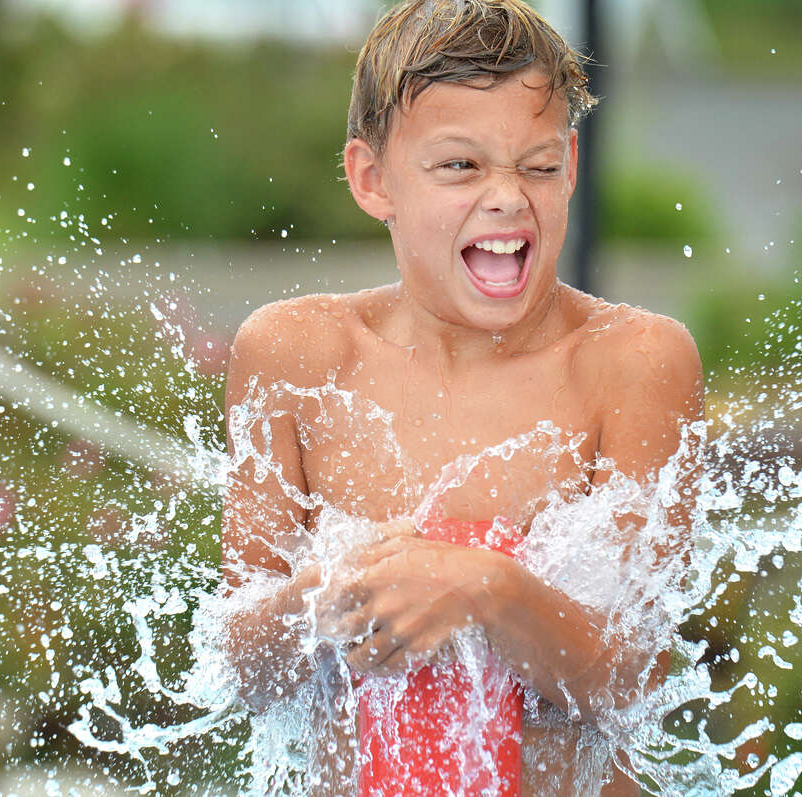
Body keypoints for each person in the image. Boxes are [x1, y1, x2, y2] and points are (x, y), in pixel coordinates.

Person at [220, 1, 704, 794]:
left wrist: (487, 588)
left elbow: (634, 680)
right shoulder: (297, 356)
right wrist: (330, 594)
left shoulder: (631, 362)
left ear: (571, 166)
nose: (508, 196)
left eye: (537, 166)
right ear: (372, 179)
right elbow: (242, 672)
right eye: (460, 166)